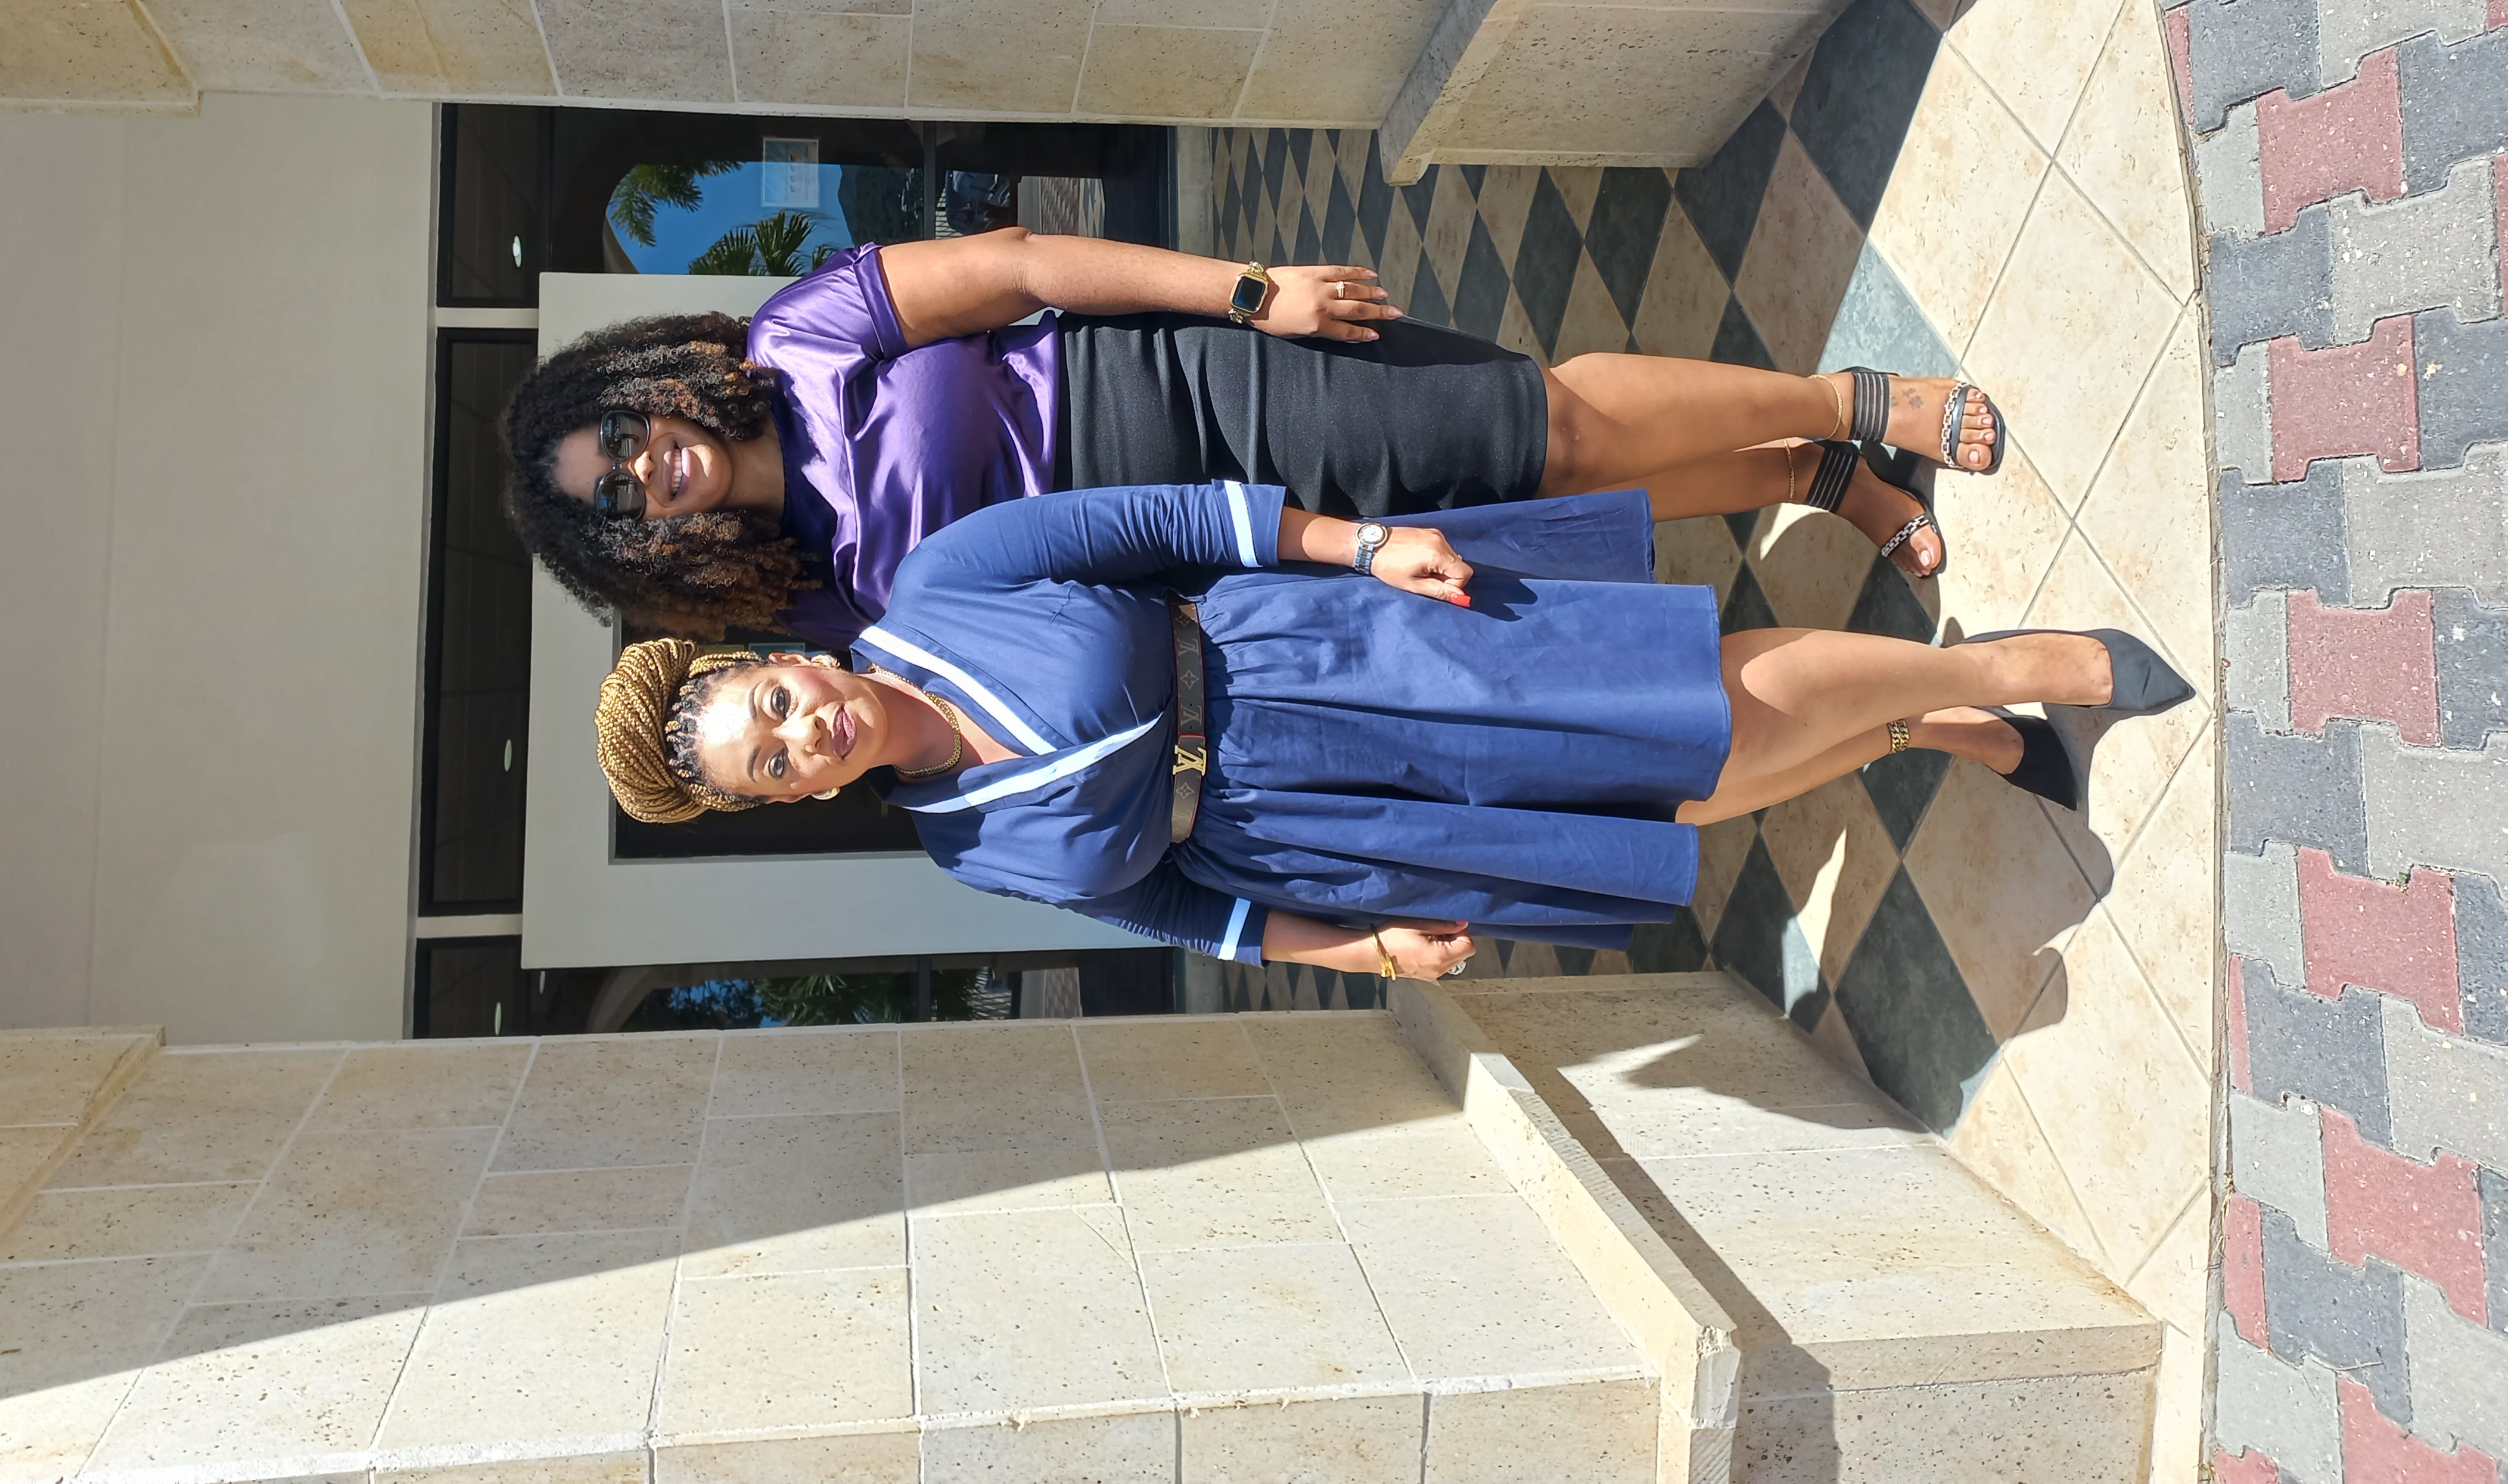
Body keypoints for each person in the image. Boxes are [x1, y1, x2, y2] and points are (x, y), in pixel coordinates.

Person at [590, 481, 2186, 980]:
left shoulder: (941, 584)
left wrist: (1357, 545)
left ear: (762, 656)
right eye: (774, 760)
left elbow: (1159, 511)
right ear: (779, 798)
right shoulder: (963, 846)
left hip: (1308, 654)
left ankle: (2007, 663)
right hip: (1317, 830)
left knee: (1679, 716)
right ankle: (1923, 722)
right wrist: (1353, 952)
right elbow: (1167, 905)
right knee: (1671, 806)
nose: (804, 727)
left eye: (770, 701)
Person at [507, 230, 2003, 641]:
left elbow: (1025, 267)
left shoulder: (800, 336)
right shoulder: (806, 597)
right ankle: (1810, 478)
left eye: (623, 439)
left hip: (1198, 388)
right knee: (1531, 496)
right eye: (622, 499)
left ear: (642, 388)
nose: (652, 470)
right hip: (1200, 548)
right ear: (640, 546)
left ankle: (1843, 404)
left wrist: (1247, 293)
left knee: (1541, 418)